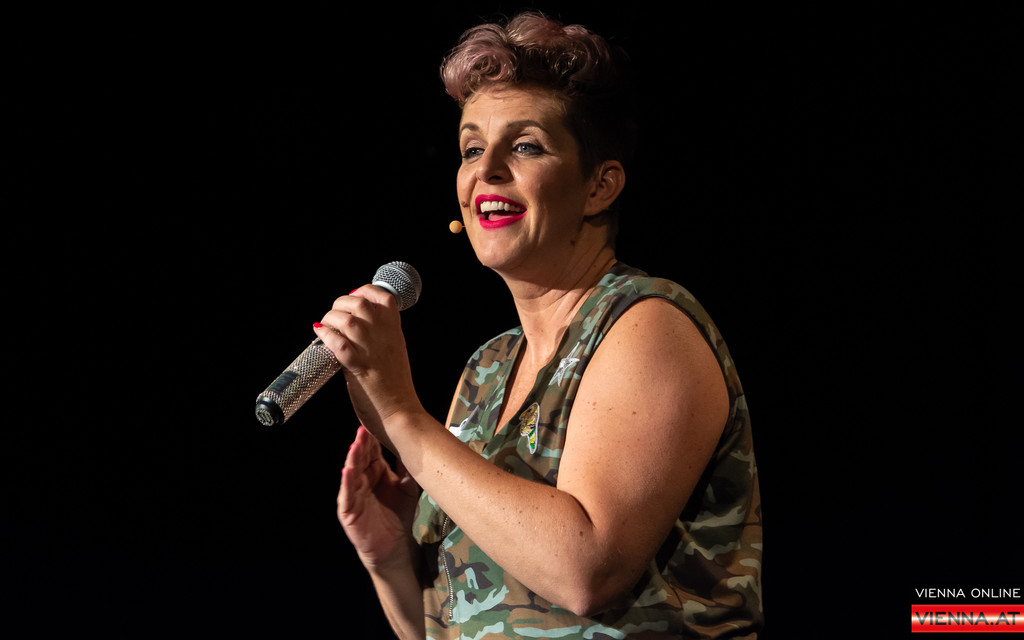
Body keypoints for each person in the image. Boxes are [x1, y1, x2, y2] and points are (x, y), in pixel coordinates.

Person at [313, 12, 763, 639]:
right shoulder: (486, 369)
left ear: (599, 186)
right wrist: (390, 560)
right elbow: (456, 627)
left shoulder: (646, 324)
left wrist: (402, 418)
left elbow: (586, 571)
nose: (487, 170)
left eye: (525, 146)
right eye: (472, 148)